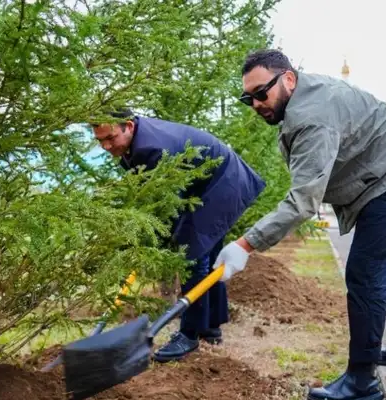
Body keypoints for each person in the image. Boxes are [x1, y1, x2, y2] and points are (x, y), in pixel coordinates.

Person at [213, 49, 386, 400]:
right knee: (382, 261)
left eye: (260, 93)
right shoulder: (299, 101)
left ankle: (361, 382)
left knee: (365, 272)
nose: (255, 104)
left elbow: (303, 201)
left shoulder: (311, 118)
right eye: (247, 98)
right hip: (377, 172)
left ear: (287, 79)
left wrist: (246, 244)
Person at [90, 109, 266, 362]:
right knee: (210, 255)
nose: (106, 146)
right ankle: (211, 327)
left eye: (110, 137)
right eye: (100, 140)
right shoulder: (135, 142)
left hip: (220, 185)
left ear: (128, 126)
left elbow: (166, 206)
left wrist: (151, 238)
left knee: (190, 254)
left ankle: (190, 335)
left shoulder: (151, 149)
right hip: (209, 183)